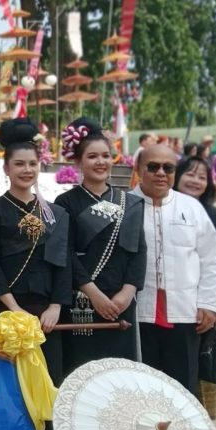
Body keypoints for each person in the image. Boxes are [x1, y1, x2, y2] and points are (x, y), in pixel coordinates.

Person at [0, 118, 71, 385]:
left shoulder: (56, 213)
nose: (27, 169)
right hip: (5, 310)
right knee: (5, 384)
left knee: (47, 382)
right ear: (6, 168)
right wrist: (14, 309)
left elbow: (63, 262)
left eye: (32, 163)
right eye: (19, 164)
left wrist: (55, 306)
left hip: (46, 314)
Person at [53, 118, 146, 374]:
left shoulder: (129, 202)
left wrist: (127, 292)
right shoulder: (65, 202)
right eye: (92, 156)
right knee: (80, 371)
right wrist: (94, 295)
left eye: (105, 155)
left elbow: (139, 251)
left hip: (120, 303)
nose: (100, 162)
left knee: (119, 373)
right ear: (78, 162)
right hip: (82, 300)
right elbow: (65, 254)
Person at [131, 144, 216, 396]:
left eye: (168, 168)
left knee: (183, 389)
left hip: (185, 313)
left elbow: (210, 259)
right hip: (138, 314)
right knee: (141, 387)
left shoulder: (191, 208)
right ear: (138, 168)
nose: (161, 173)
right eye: (153, 167)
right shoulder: (125, 206)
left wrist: (209, 303)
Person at [174, 156, 216, 417]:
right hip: (172, 304)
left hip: (205, 305)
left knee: (204, 362)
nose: (195, 181)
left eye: (202, 177)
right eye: (190, 174)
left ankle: (202, 420)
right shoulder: (161, 207)